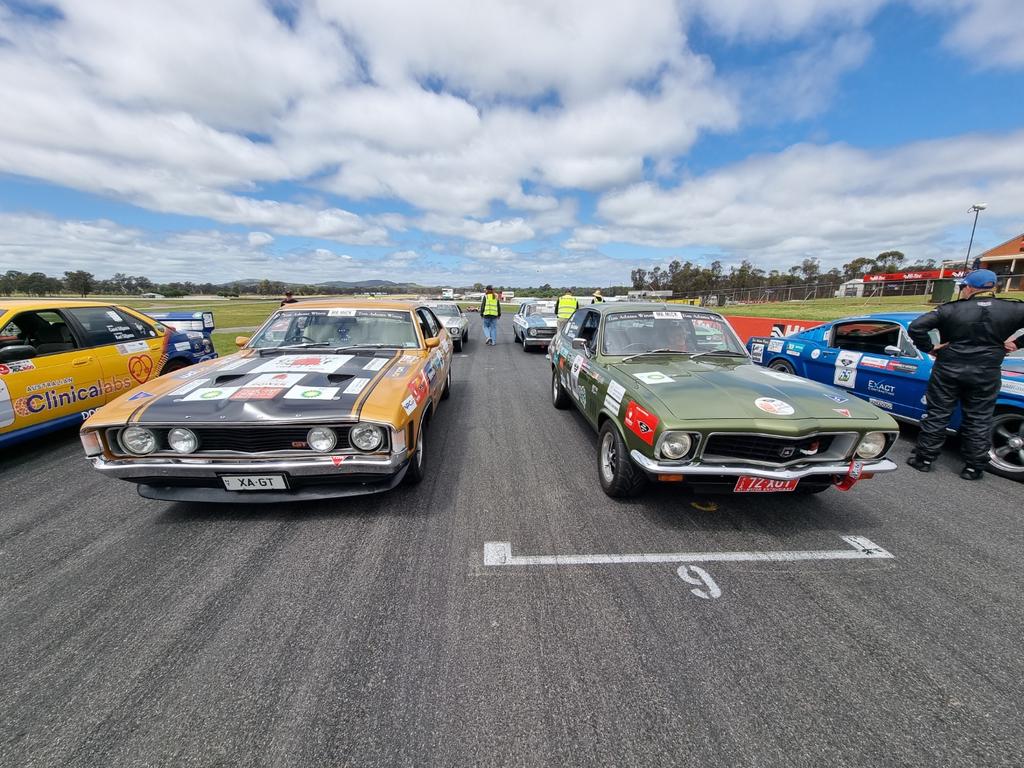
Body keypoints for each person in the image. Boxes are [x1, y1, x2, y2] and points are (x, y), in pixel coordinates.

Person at [906, 269, 1024, 479]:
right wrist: (1016, 343)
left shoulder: (951, 310)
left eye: (962, 287)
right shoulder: (1013, 308)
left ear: (969, 287)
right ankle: (973, 467)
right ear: (993, 287)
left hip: (949, 368)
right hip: (986, 372)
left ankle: (923, 459)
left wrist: (930, 347)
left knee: (938, 414)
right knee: (979, 418)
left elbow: (916, 327)